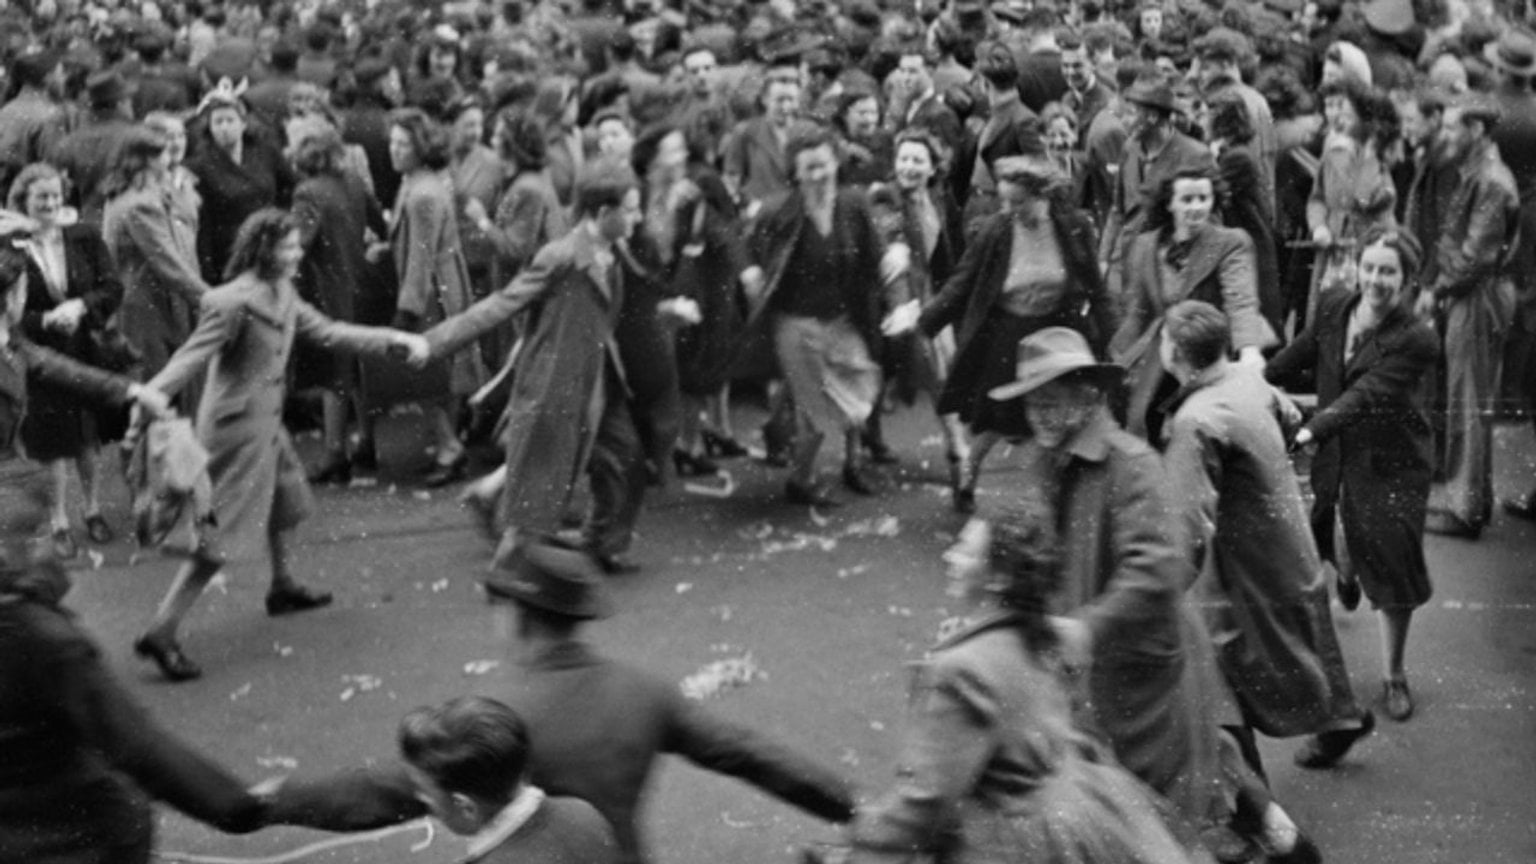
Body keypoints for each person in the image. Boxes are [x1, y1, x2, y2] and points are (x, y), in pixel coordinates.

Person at [259, 541, 857, 864]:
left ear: (516, 613)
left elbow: (379, 793)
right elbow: (747, 753)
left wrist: (268, 804)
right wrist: (851, 808)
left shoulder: (493, 714)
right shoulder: (641, 689)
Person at [0, 217, 277, 862]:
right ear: (12, 296)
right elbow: (138, 746)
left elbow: (44, 362)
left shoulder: (8, 339)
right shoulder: (42, 632)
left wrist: (131, 391)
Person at [132, 208, 428, 682]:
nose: (296, 254)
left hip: (266, 421)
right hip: (235, 431)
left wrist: (390, 339)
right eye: (286, 247)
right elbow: (192, 355)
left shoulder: (283, 291)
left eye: (296, 246)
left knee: (286, 497)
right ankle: (161, 631)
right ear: (261, 249)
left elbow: (329, 332)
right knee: (217, 540)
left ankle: (283, 585)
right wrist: (152, 394)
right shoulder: (231, 301)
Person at [839, 505, 1200, 864]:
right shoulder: (1055, 634)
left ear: (997, 579)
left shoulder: (963, 670)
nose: (950, 556)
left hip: (1015, 841)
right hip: (1084, 811)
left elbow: (929, 798)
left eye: (964, 551)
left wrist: (868, 838)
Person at [985, 326, 1229, 837]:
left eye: (1052, 401)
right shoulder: (1048, 459)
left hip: (1143, 669)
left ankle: (1273, 835)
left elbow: (1161, 564)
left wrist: (1088, 628)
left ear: (1088, 395)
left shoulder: (1129, 463)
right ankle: (1276, 834)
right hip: (1102, 666)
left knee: (1157, 808)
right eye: (1032, 405)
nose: (1039, 416)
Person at [1158, 300, 1375, 851]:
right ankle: (1341, 724)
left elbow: (1185, 528)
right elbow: (1292, 418)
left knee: (1217, 686)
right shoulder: (1247, 381)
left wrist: (1158, 592)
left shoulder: (1194, 422)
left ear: (1175, 355)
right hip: (1290, 551)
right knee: (1308, 649)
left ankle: (1254, 816)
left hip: (1245, 573)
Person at [418, 162, 650, 574]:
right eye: (631, 210)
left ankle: (595, 545)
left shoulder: (612, 253)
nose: (638, 217)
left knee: (620, 459)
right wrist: (433, 342)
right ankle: (508, 578)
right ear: (601, 212)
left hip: (595, 381)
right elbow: (501, 304)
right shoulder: (561, 256)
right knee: (536, 499)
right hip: (553, 390)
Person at [1267, 228, 1438, 722]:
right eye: (1369, 267)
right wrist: (1255, 379)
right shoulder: (1334, 307)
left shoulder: (1416, 339)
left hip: (1392, 463)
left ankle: (1394, 675)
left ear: (1406, 279)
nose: (1376, 280)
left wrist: (1308, 432)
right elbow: (1299, 353)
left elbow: (1366, 395)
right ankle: (1348, 571)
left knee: (1391, 559)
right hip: (1339, 452)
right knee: (1336, 532)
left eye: (1388, 271)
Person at [884, 154, 1113, 513]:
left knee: (1054, 417)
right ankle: (967, 479)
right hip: (1009, 335)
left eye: (1018, 201)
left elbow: (1096, 289)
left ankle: (1049, 498)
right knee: (996, 418)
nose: (1009, 209)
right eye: (1004, 200)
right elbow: (960, 286)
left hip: (1056, 334)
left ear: (1043, 196)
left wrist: (1112, 338)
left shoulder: (1074, 226)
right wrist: (924, 325)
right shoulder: (996, 230)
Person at [742, 125, 887, 507]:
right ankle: (801, 480)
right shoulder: (779, 210)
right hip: (796, 326)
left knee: (863, 389)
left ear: (836, 161)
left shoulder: (854, 203)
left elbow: (876, 254)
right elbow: (745, 249)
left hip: (842, 320)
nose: (818, 175)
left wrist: (895, 266)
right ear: (796, 171)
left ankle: (844, 461)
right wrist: (751, 273)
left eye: (823, 165)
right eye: (809, 169)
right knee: (819, 415)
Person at [1414, 93, 1521, 540]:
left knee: (1469, 399)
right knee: (1468, 398)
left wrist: (1436, 289)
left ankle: (1465, 507)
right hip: (1473, 293)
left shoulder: (1491, 181)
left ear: (1476, 131)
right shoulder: (1478, 173)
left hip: (1478, 296)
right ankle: (1468, 499)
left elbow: (1476, 256)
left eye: (1455, 126)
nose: (1447, 134)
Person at [9, 163, 127, 558]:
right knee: (54, 439)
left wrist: (80, 306)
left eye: (56, 195)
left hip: (83, 345)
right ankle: (59, 520)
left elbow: (112, 286)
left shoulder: (84, 236)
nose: (50, 203)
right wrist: (43, 319)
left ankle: (92, 508)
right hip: (38, 349)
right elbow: (7, 311)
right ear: (23, 200)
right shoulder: (12, 246)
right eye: (41, 197)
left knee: (88, 436)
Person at [1111, 166, 1275, 441]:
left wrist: (1248, 349)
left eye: (1203, 198)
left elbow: (1241, 300)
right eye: (1187, 199)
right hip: (1163, 350)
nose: (1196, 207)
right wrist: (1117, 355)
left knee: (1206, 425)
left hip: (1207, 351)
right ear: (1170, 203)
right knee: (1140, 418)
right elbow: (1137, 311)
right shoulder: (1145, 246)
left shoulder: (1230, 242)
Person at [381, 107, 486, 486]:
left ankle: (449, 447)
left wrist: (405, 312)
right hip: (441, 286)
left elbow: (420, 259)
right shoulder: (420, 181)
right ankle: (449, 442)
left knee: (430, 374)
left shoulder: (421, 193)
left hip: (430, 294)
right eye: (392, 142)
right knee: (444, 373)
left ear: (420, 147)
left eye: (403, 144)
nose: (394, 150)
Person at [289, 126, 388, 485]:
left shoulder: (308, 193)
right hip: (360, 282)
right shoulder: (355, 182)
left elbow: (297, 244)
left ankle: (334, 452)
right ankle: (367, 441)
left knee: (335, 373)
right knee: (361, 369)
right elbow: (379, 222)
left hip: (326, 289)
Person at [101, 125, 210, 387]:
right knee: (157, 387)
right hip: (149, 310)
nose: (170, 157)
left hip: (155, 305)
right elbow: (170, 263)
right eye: (163, 153)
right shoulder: (141, 204)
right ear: (148, 160)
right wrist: (211, 299)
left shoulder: (133, 194)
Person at [186, 81, 295, 283]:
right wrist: (208, 272)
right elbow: (204, 225)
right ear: (209, 128)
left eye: (230, 120)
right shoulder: (201, 166)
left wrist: (281, 219)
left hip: (267, 245)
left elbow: (291, 185)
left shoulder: (264, 152)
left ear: (243, 123)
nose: (224, 127)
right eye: (218, 122)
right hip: (229, 253)